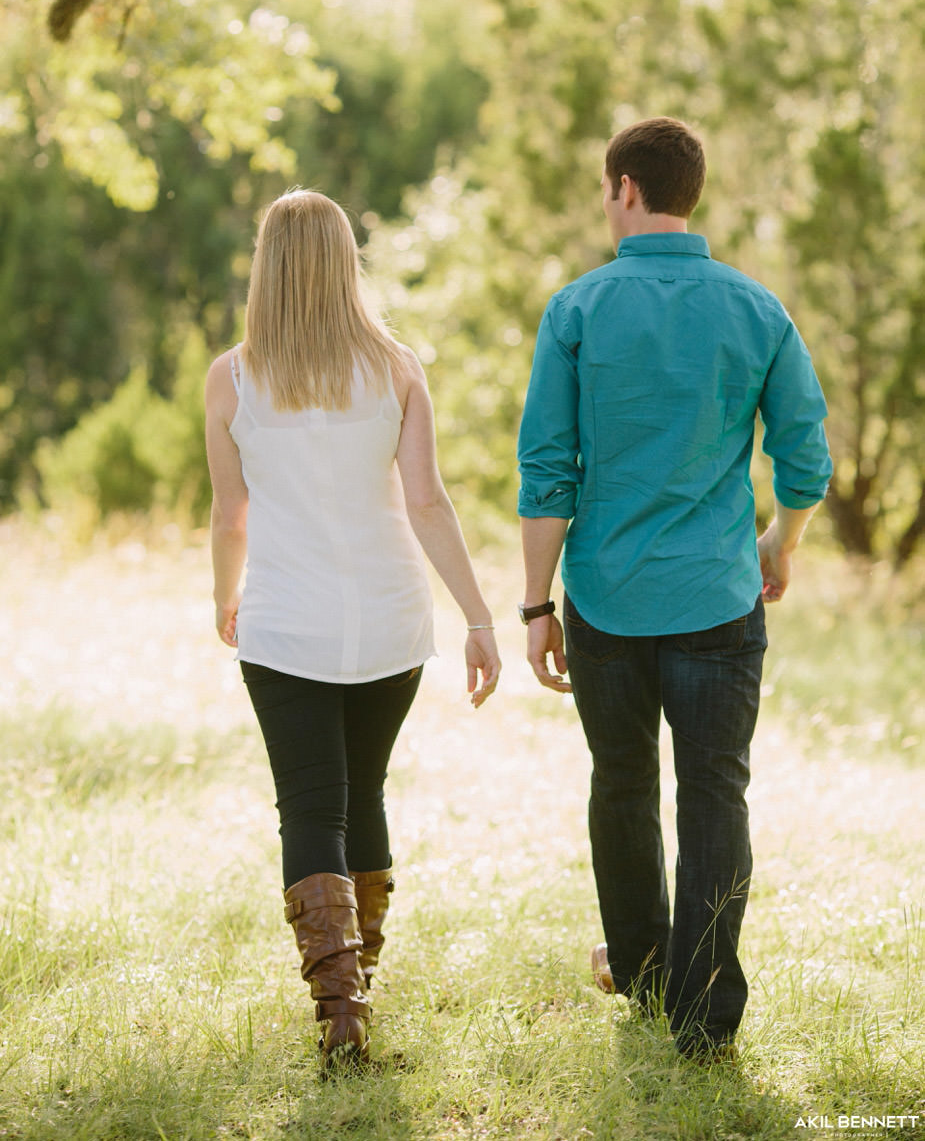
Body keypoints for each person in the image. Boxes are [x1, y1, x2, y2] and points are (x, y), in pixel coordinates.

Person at [516, 117, 831, 1061]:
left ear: (622, 187)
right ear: (688, 190)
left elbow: (547, 471)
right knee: (714, 797)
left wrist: (536, 605)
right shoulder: (756, 308)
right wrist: (781, 538)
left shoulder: (575, 310)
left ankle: (646, 973)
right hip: (718, 600)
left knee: (620, 784)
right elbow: (805, 455)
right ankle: (704, 1016)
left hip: (605, 602)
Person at [205, 189, 500, 1070]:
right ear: (344, 262)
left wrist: (225, 596)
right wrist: (478, 615)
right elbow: (428, 502)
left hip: (284, 624)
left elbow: (230, 514)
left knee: (310, 802)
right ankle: (356, 989)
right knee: (359, 792)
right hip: (388, 620)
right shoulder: (397, 366)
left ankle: (341, 1014)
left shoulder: (233, 377)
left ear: (267, 266)